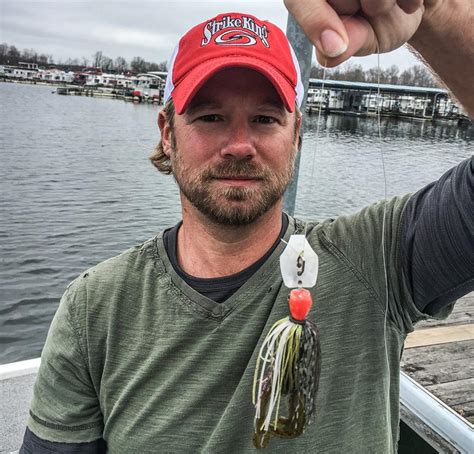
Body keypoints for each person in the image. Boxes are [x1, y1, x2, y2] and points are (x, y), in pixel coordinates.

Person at [21, 1, 473, 452]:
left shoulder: (378, 258)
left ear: (295, 135)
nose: (239, 146)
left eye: (264, 118)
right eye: (210, 117)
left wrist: (434, 15)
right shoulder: (93, 308)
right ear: (166, 132)